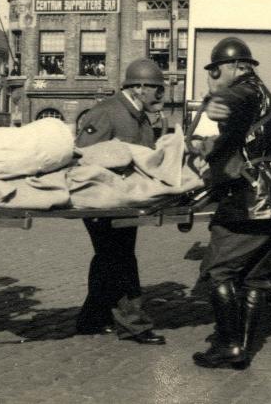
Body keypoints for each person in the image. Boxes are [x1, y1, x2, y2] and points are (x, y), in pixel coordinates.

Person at [189, 37, 271, 369]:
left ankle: (228, 345)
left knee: (218, 270)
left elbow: (235, 97)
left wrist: (217, 101)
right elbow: (237, 138)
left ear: (237, 68)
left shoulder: (246, 89)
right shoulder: (269, 101)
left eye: (215, 69)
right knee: (254, 277)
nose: (212, 76)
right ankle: (244, 349)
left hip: (250, 202)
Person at [75, 58, 167, 345]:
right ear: (139, 87)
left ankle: (91, 318)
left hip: (125, 201)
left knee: (108, 259)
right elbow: (83, 156)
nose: (161, 96)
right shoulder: (107, 113)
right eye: (157, 90)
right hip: (102, 201)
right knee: (121, 259)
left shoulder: (139, 116)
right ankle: (134, 325)